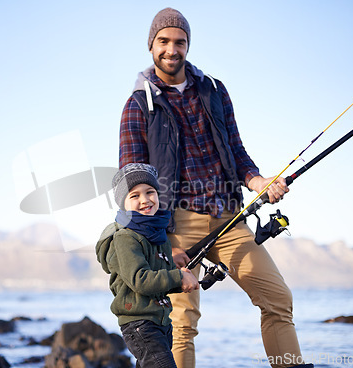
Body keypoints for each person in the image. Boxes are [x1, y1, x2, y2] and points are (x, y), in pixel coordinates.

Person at [118, 7, 314, 368]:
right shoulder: (138, 105)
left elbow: (236, 151)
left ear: (188, 45)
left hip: (229, 217)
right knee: (180, 325)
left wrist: (258, 181)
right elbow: (132, 183)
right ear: (151, 45)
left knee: (278, 299)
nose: (171, 50)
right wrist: (152, 239)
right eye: (163, 41)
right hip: (174, 226)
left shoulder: (213, 91)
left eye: (180, 42)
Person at [96, 163, 200, 368]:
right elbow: (140, 280)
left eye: (150, 192)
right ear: (122, 203)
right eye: (134, 196)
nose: (145, 200)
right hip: (139, 324)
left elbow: (161, 278)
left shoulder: (158, 234)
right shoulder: (125, 237)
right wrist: (178, 277)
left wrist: (182, 280)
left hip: (161, 322)